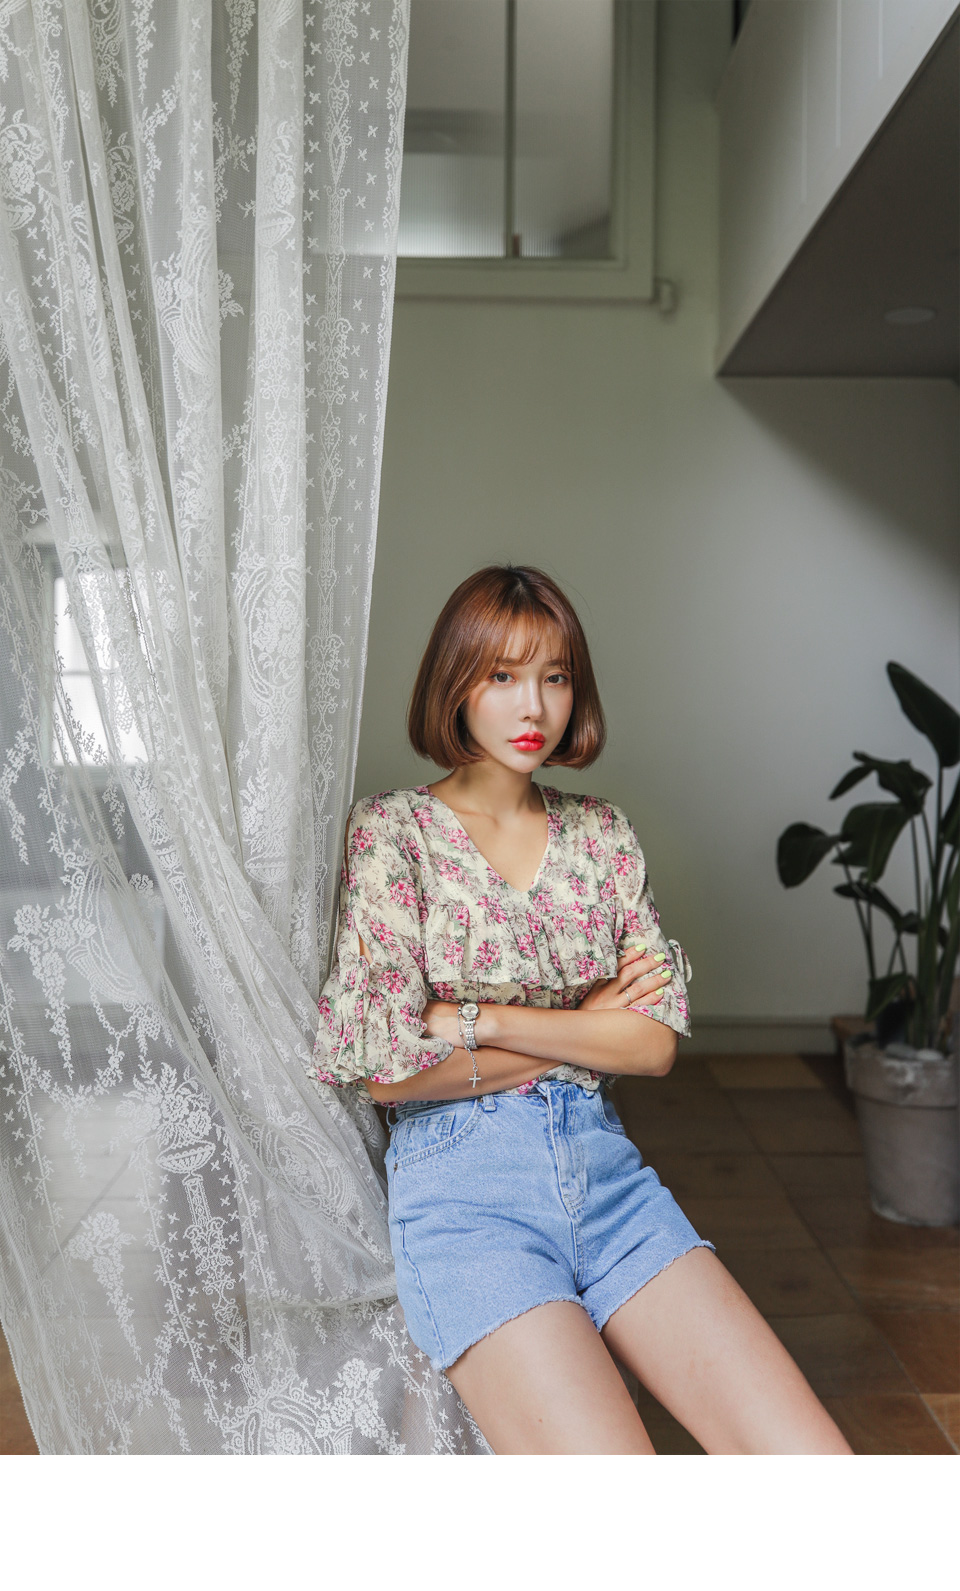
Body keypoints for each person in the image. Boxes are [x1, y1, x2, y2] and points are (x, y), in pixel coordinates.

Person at [313, 565, 851, 1456]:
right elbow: (388, 1070)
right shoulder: (392, 833)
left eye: (555, 676)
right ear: (456, 682)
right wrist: (586, 1026)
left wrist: (477, 1020)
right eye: (503, 675)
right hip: (467, 1197)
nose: (535, 705)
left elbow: (652, 1042)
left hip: (609, 1178)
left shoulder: (604, 835)